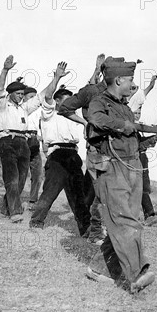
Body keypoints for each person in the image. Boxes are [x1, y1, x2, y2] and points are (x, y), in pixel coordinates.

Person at [85, 57, 157, 293]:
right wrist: (124, 125)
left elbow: (135, 143)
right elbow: (96, 120)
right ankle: (136, 274)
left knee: (127, 220)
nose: (133, 83)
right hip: (110, 168)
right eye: (131, 79)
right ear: (119, 80)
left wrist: (156, 137)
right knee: (124, 221)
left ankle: (99, 268)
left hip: (131, 168)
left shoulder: (125, 107)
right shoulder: (98, 102)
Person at [0, 55, 64, 223]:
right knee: (12, 178)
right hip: (7, 141)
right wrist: (5, 70)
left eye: (22, 94)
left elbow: (43, 95)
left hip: (23, 143)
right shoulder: (2, 105)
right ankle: (15, 212)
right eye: (17, 94)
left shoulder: (24, 108)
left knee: (22, 179)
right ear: (10, 94)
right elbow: (0, 87)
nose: (20, 96)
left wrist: (56, 77)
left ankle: (7, 206)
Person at [58, 53, 109, 245]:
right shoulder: (93, 92)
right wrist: (85, 123)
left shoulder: (116, 95)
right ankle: (95, 231)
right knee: (99, 190)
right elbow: (65, 108)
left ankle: (97, 228)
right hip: (96, 148)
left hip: (113, 149)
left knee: (102, 190)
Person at [29, 85, 91, 235]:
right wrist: (57, 78)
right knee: (50, 191)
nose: (70, 104)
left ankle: (86, 229)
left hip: (73, 155)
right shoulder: (48, 113)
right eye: (66, 100)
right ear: (57, 101)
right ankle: (36, 222)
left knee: (78, 195)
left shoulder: (73, 115)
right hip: (57, 154)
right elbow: (48, 96)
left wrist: (97, 71)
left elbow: (89, 92)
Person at [128, 75, 157, 224]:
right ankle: (133, 215)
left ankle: (149, 215)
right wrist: (150, 85)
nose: (137, 114)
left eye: (139, 113)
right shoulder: (126, 121)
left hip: (142, 157)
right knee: (131, 186)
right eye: (135, 112)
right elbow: (138, 96)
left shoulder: (143, 122)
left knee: (144, 185)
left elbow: (156, 114)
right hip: (130, 157)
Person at [24, 86, 43, 207]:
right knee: (21, 173)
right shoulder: (20, 109)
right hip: (23, 140)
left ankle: (33, 200)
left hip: (35, 140)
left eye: (34, 97)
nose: (33, 99)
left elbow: (42, 125)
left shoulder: (39, 111)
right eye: (31, 97)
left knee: (37, 173)